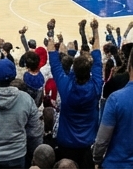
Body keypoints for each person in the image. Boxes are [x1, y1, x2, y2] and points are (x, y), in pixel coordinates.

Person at [49, 19, 104, 169]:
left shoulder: (66, 87)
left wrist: (51, 32)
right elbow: (98, 58)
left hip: (66, 143)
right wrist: (95, 31)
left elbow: (54, 61)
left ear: (73, 70)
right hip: (88, 144)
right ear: (89, 71)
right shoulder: (96, 87)